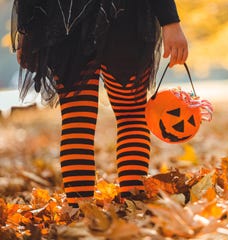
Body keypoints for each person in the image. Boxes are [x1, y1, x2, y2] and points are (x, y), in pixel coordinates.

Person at [11, 0, 188, 208]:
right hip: (123, 16)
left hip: (65, 16)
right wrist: (170, 20)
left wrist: (27, 26)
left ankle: (80, 209)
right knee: (130, 115)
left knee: (79, 117)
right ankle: (133, 203)